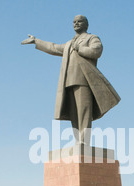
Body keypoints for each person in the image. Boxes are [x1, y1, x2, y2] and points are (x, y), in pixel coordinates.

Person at [22, 15, 120, 144]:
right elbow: (54, 47)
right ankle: (78, 140)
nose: (76, 24)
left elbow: (96, 51)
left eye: (79, 21)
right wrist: (36, 41)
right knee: (73, 113)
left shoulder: (92, 38)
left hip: (84, 80)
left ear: (86, 25)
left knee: (84, 112)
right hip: (69, 81)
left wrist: (80, 48)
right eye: (74, 22)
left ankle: (85, 141)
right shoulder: (69, 44)